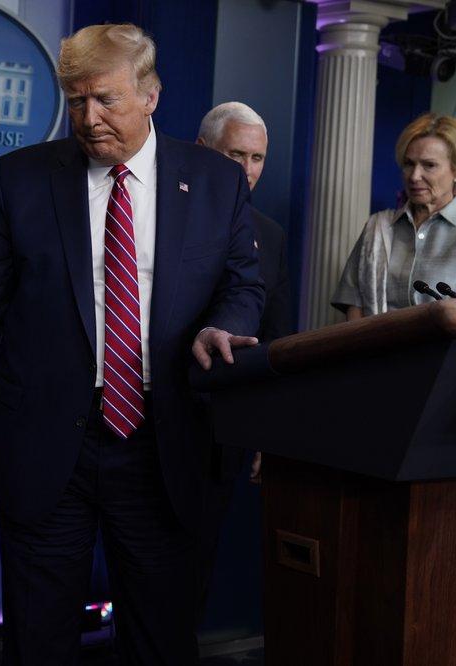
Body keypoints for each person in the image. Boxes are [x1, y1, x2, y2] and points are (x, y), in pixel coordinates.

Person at [0, 23, 264, 665]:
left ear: (150, 95)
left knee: (161, 641)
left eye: (105, 99)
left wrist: (222, 324)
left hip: (165, 444)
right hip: (45, 444)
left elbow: (243, 283)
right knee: (37, 641)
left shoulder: (215, 180)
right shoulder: (19, 179)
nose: (89, 119)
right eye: (76, 100)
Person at [194, 101, 292, 619]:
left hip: (223, 432)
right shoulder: (155, 214)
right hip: (146, 421)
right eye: (236, 155)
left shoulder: (269, 235)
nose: (248, 170)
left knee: (196, 573)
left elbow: (275, 338)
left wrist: (266, 432)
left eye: (257, 158)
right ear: (203, 151)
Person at [332, 113, 456, 318]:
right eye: (409, 164)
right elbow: (354, 306)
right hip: (373, 340)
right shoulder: (378, 226)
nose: (415, 176)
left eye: (429, 165)